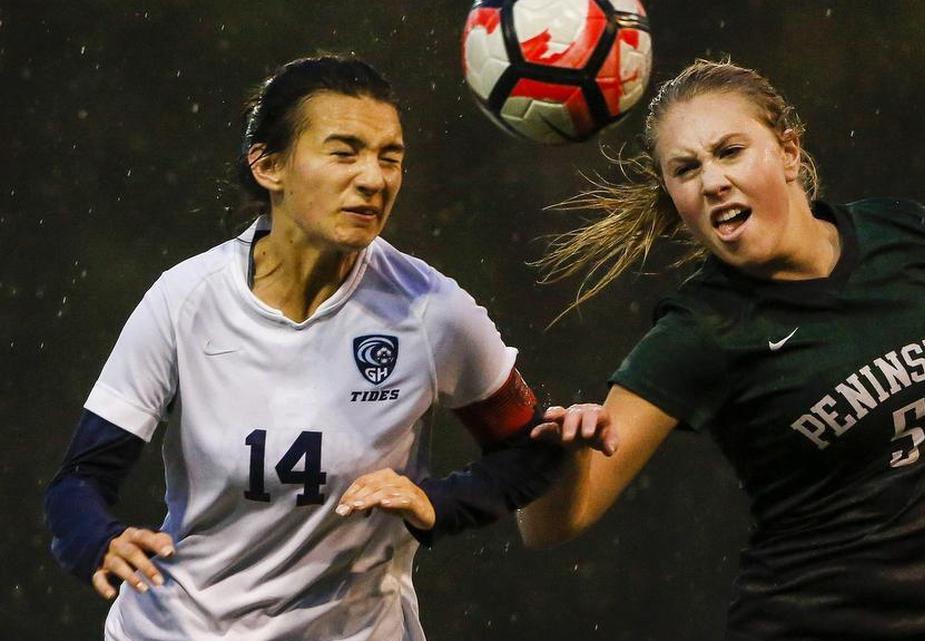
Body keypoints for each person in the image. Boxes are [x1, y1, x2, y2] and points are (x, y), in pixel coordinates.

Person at [519, 59, 925, 640]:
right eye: (686, 169)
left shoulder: (904, 236)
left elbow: (910, 390)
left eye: (730, 151)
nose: (712, 181)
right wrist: (564, 459)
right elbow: (548, 526)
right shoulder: (699, 332)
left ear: (788, 150)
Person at [42, 55, 607, 641]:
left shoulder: (431, 310)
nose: (374, 178)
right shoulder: (186, 300)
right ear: (268, 166)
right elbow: (78, 481)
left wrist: (440, 502)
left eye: (391, 157)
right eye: (345, 152)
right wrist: (98, 541)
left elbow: (529, 451)